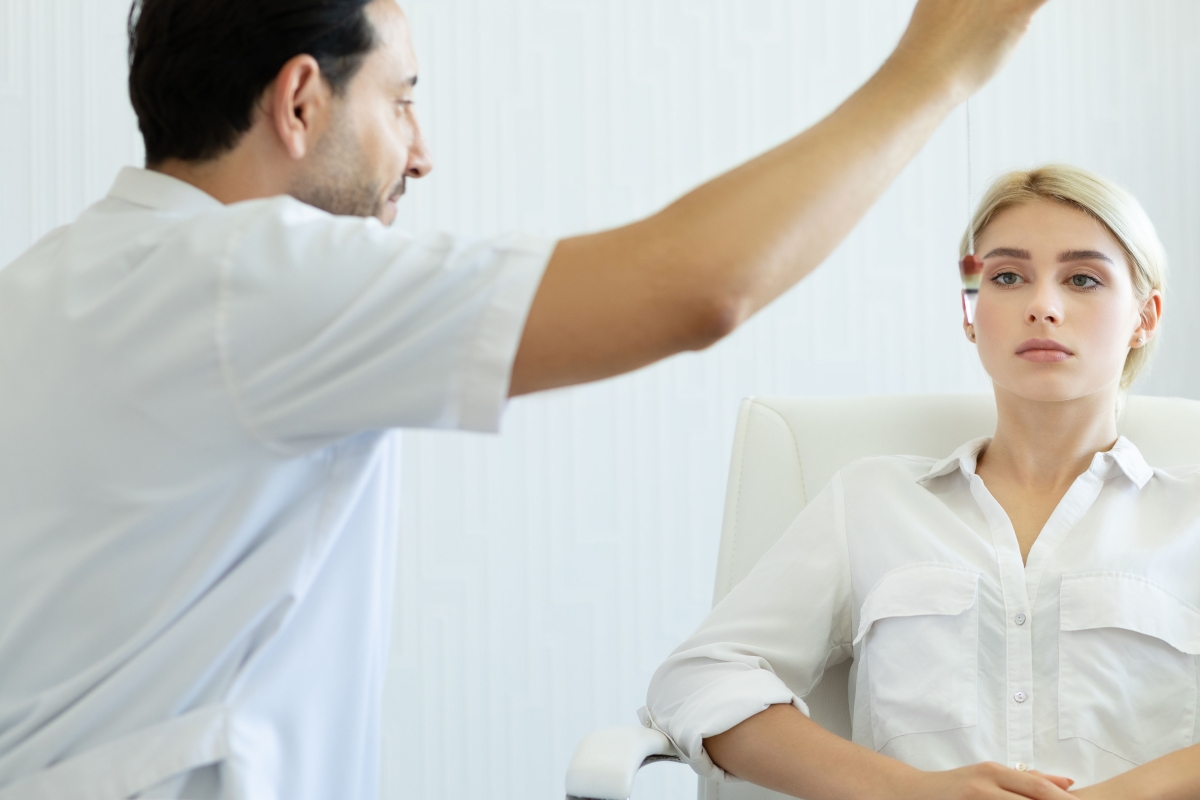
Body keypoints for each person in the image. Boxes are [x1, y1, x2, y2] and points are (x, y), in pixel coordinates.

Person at [0, 1, 1050, 798]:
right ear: (301, 101)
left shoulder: (46, 284)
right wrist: (938, 66)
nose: (422, 152)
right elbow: (699, 285)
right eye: (401, 100)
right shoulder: (250, 278)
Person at [642, 164, 1200, 800]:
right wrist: (909, 790)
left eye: (1082, 279)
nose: (1043, 306)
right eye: (1007, 277)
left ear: (1145, 317)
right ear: (970, 310)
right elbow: (698, 679)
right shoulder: (873, 501)